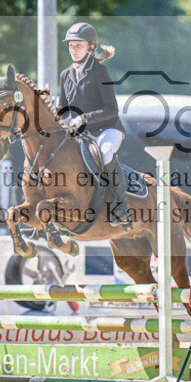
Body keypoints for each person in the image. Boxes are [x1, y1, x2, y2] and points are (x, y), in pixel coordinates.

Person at [57, 21, 132, 229]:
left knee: (105, 153)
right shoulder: (65, 75)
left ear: (91, 47)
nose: (73, 50)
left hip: (108, 129)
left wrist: (84, 118)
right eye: (71, 45)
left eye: (78, 45)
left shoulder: (100, 72)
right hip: (83, 134)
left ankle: (122, 206)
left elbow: (112, 109)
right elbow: (62, 108)